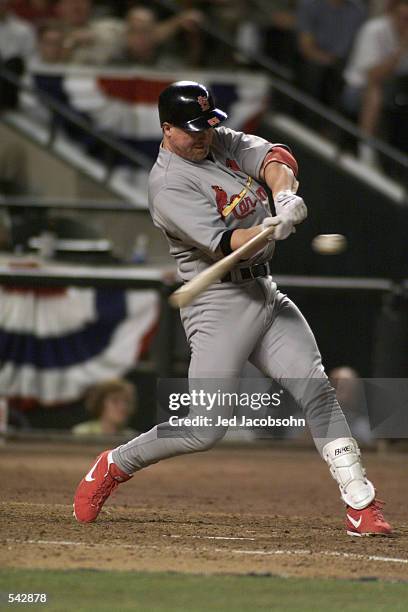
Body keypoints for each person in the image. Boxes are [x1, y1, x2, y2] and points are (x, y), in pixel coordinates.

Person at [73, 81, 391, 537]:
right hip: (217, 302)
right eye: (191, 130)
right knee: (205, 429)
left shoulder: (216, 140)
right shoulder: (168, 185)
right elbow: (228, 244)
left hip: (262, 290)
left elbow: (275, 157)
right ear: (166, 129)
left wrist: (283, 197)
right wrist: (269, 229)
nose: (203, 136)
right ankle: (114, 464)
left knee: (317, 390)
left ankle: (361, 504)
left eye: (206, 125)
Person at [342, 0, 408, 161]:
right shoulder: (374, 30)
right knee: (374, 91)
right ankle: (366, 149)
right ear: (392, 12)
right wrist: (400, 48)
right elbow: (373, 75)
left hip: (393, 92)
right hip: (358, 88)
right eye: (403, 18)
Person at [297, 0, 366, 108]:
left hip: (343, 62)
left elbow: (357, 47)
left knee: (350, 81)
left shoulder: (358, 11)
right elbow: (305, 45)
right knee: (315, 71)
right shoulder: (310, 4)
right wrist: (325, 59)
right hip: (313, 57)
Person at [72, 379, 136, 437]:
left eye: (126, 401)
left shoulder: (131, 438)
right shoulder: (82, 433)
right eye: (115, 401)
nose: (123, 407)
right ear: (100, 403)